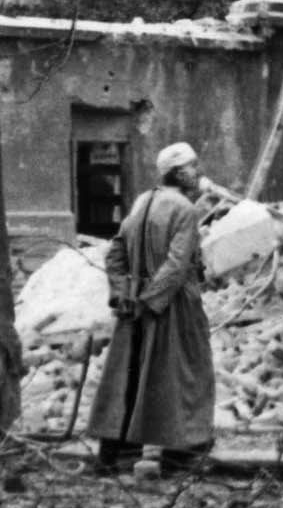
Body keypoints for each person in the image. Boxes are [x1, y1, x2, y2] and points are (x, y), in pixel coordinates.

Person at [87, 141, 216, 474]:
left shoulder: (143, 201)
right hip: (174, 307)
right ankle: (181, 456)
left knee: (128, 378)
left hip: (136, 307)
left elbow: (114, 254)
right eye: (190, 166)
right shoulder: (185, 211)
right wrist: (153, 302)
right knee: (185, 376)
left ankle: (116, 455)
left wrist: (123, 294)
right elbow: (176, 265)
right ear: (176, 172)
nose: (196, 171)